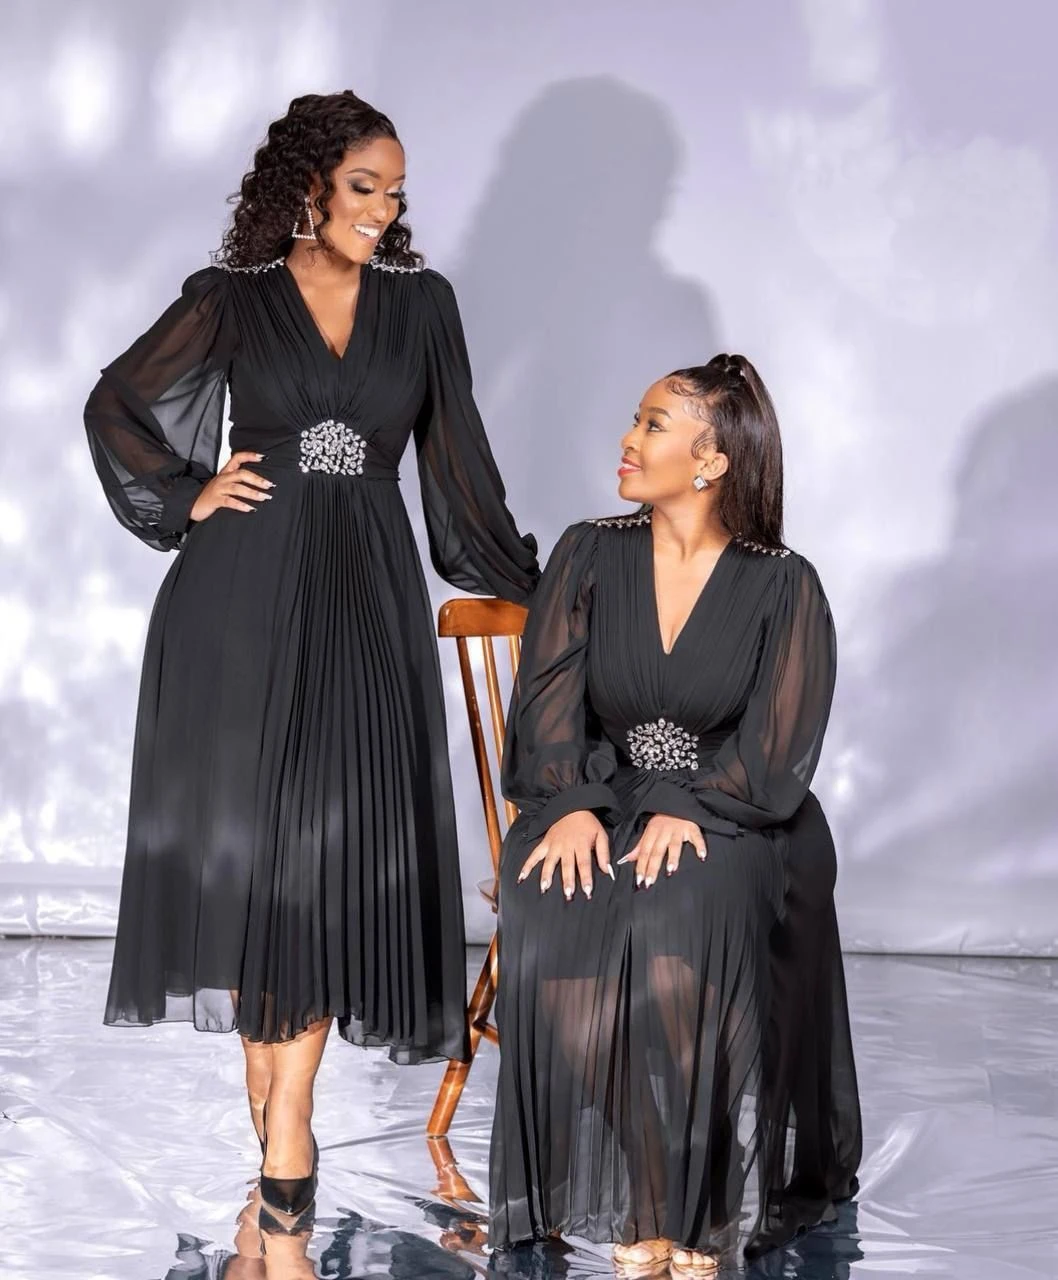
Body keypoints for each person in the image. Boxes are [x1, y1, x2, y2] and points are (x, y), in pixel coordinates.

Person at [84, 90, 539, 1218]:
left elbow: (460, 470)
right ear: (307, 186)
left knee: (330, 855)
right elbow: (116, 403)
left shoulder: (422, 305)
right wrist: (189, 495)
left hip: (367, 597)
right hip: (239, 599)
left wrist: (553, 585)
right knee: (258, 865)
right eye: (362, 187)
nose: (383, 210)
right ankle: (281, 1116)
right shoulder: (231, 298)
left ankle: (287, 1123)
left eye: (395, 191)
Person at [489, 355, 861, 1274]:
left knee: (678, 903)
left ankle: (694, 1205)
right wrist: (569, 805)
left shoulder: (784, 583)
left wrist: (691, 805)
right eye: (635, 419)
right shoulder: (588, 551)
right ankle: (653, 1188)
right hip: (601, 795)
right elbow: (546, 701)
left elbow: (780, 743)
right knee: (550, 895)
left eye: (653, 424)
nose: (628, 439)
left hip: (739, 810)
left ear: (712, 459)